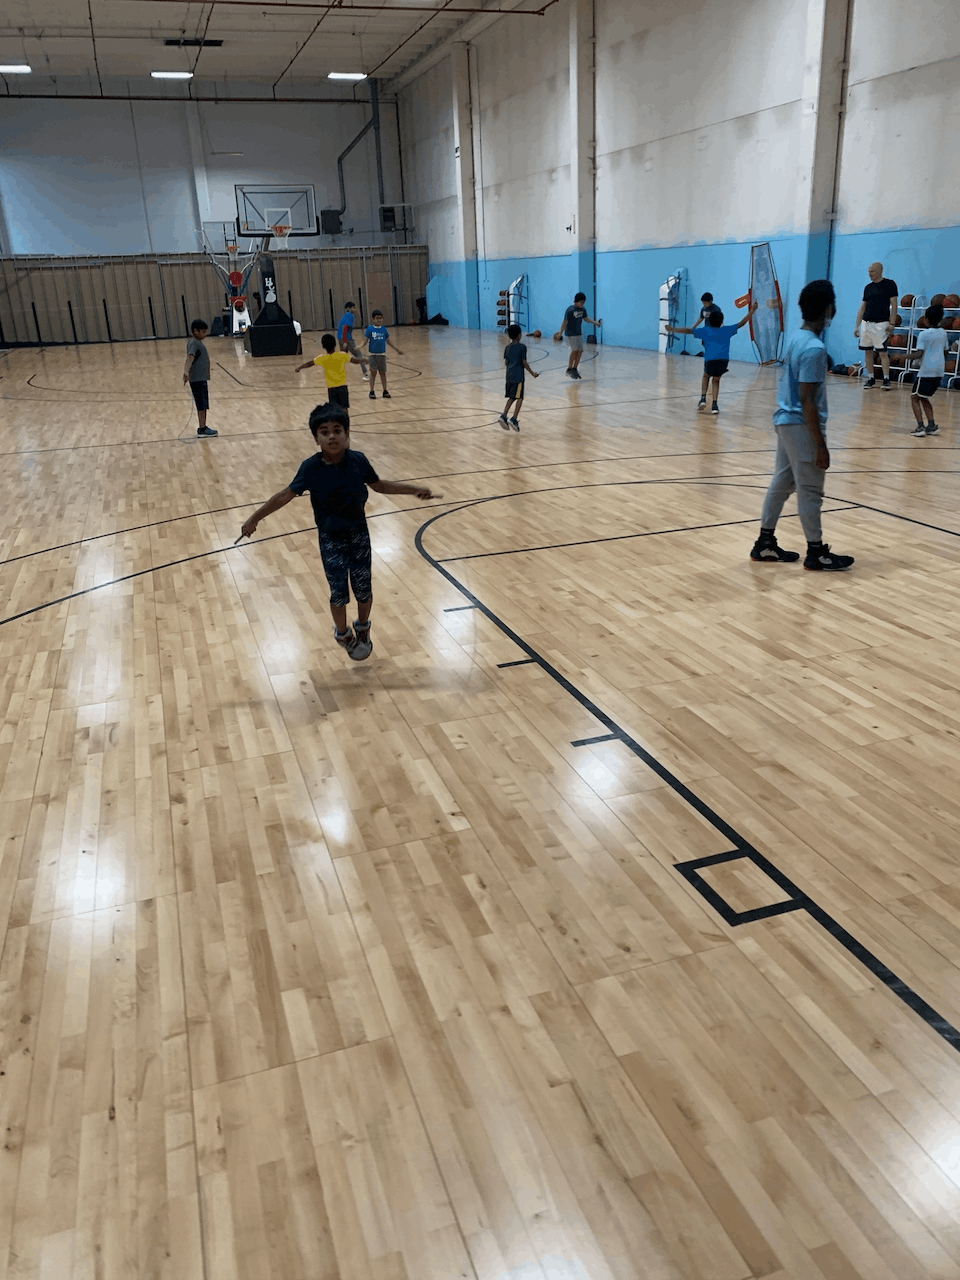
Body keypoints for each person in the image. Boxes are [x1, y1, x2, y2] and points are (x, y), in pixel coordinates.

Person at [239, 403, 438, 661]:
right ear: (316, 438)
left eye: (337, 430)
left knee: (364, 588)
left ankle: (363, 627)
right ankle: (343, 633)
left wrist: (414, 490)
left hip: (359, 535)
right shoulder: (310, 468)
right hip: (330, 539)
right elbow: (284, 496)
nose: (332, 436)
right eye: (324, 432)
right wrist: (254, 518)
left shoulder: (358, 461)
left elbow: (379, 486)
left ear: (347, 434)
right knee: (339, 592)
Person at [750, 279, 854, 572]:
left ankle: (765, 543)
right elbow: (807, 400)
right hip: (800, 425)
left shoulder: (797, 338)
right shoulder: (815, 349)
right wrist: (821, 445)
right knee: (810, 490)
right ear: (829, 309)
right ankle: (816, 552)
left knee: (782, 482)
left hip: (785, 421)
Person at [665, 301, 757, 412]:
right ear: (721, 321)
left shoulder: (705, 331)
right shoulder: (727, 330)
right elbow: (741, 323)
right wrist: (752, 311)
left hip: (710, 360)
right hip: (723, 361)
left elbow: (688, 330)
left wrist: (672, 329)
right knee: (716, 380)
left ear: (709, 321)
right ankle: (714, 405)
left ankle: (703, 398)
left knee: (706, 376)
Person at [908, 304, 953, 436]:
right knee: (923, 397)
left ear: (926, 319)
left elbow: (919, 354)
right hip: (939, 371)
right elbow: (946, 352)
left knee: (914, 397)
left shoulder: (923, 334)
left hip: (926, 371)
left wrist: (903, 356)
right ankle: (932, 426)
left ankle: (920, 427)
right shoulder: (943, 333)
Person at [854, 262, 898, 389]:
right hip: (866, 323)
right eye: (869, 271)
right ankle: (870, 378)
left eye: (872, 271)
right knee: (868, 352)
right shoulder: (868, 287)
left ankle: (886, 379)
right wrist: (856, 326)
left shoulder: (890, 284)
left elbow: (894, 304)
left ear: (880, 271)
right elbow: (862, 307)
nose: (870, 274)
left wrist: (892, 322)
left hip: (881, 324)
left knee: (882, 353)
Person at [296, 333, 362, 414]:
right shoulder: (342, 355)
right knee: (344, 409)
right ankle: (346, 421)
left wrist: (300, 368)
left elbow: (310, 363)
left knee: (334, 409)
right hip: (343, 386)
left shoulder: (322, 358)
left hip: (331, 388)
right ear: (335, 344)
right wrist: (364, 360)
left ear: (323, 346)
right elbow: (355, 361)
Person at [499, 323, 539, 430]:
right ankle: (514, 419)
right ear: (519, 335)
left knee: (512, 397)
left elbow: (506, 362)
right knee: (520, 398)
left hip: (509, 376)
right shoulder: (522, 347)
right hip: (518, 377)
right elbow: (524, 362)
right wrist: (532, 373)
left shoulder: (507, 348)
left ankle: (504, 415)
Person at [183, 319, 218, 437]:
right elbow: (190, 357)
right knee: (201, 404)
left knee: (203, 404)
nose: (205, 334)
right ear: (195, 331)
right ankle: (202, 429)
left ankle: (203, 426)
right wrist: (186, 372)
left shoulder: (197, 342)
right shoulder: (194, 343)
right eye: (203, 332)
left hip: (201, 379)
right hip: (197, 380)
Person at [557, 292, 601, 379]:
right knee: (574, 350)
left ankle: (574, 368)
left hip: (578, 333)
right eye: (581, 302)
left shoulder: (582, 310)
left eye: (583, 302)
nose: (582, 304)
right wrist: (560, 332)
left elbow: (586, 319)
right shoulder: (570, 310)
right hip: (570, 334)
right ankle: (569, 369)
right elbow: (564, 322)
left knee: (580, 350)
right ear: (576, 301)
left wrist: (595, 323)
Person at [362, 310, 403, 399]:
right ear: (373, 319)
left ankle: (385, 390)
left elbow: (388, 341)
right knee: (373, 373)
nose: (379, 320)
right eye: (377, 318)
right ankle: (371, 391)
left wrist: (396, 349)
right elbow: (365, 341)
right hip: (372, 355)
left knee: (382, 373)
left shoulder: (384, 329)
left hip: (382, 355)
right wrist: (360, 346)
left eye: (380, 318)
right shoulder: (369, 329)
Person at [337, 302, 369, 380]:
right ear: (349, 308)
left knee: (342, 356)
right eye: (354, 308)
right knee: (358, 354)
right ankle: (366, 373)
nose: (355, 309)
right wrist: (345, 341)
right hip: (347, 339)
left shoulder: (345, 315)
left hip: (339, 337)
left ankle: (337, 374)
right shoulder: (350, 316)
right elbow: (345, 328)